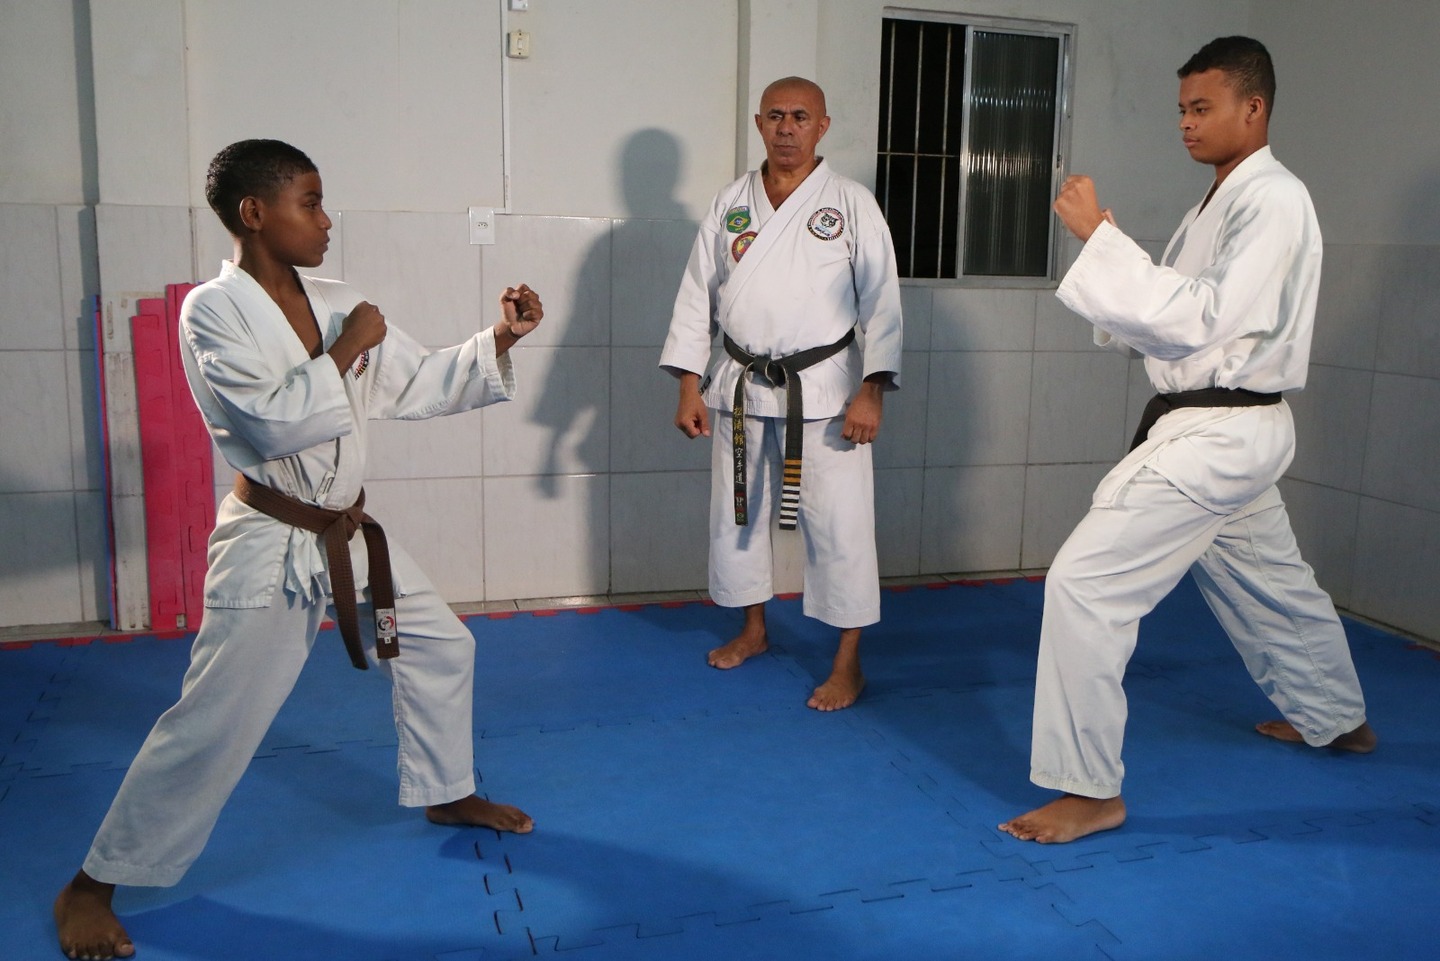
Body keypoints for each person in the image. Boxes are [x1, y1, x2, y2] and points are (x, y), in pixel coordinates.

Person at [54, 139, 543, 959]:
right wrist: (349, 346)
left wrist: (500, 335)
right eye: (309, 202)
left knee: (440, 642)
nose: (324, 220)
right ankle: (92, 883)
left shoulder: (336, 298)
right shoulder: (212, 310)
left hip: (343, 532)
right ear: (255, 212)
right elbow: (271, 422)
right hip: (269, 539)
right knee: (215, 717)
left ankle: (445, 790)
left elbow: (414, 381)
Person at [999, 37, 1375, 846]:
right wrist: (1111, 255)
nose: (1186, 123)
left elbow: (1204, 316)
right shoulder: (1222, 200)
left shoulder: (1272, 199)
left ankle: (1087, 789)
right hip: (1227, 429)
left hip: (1221, 432)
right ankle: (1337, 717)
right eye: (1181, 109)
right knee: (1272, 581)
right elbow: (1174, 315)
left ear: (1255, 108)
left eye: (1202, 108)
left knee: (1084, 584)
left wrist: (1100, 237)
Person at [660, 77, 902, 712]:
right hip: (738, 387)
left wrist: (872, 390)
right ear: (758, 123)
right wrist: (690, 383)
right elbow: (696, 295)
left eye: (800, 116)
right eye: (775, 116)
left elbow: (882, 305)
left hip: (825, 391)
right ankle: (754, 629)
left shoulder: (850, 203)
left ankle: (848, 661)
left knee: (842, 526)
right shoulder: (730, 203)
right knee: (737, 516)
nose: (787, 127)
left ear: (823, 125)